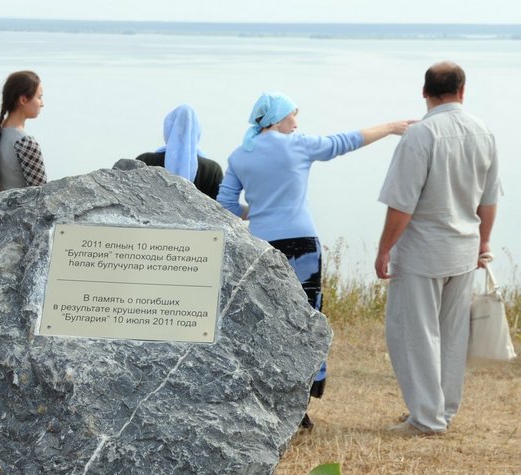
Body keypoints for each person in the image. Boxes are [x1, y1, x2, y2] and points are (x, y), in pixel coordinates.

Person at [217, 91, 411, 429]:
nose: (297, 122)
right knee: (305, 323)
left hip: (261, 247)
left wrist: (258, 211)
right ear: (278, 120)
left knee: (269, 324)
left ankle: (269, 403)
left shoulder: (239, 156)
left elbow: (227, 206)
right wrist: (392, 126)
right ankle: (300, 406)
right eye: (293, 115)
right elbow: (345, 141)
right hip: (302, 245)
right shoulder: (298, 145)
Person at [376, 61, 501, 436]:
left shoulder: (421, 135)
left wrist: (384, 250)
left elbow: (402, 204)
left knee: (415, 333)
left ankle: (427, 418)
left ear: (424, 92)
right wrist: (485, 242)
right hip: (463, 248)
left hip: (422, 250)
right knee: (450, 334)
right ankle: (442, 410)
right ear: (463, 90)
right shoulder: (484, 132)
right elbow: (490, 200)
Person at [136, 104, 224, 199]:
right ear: (197, 131)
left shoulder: (145, 160)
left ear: (167, 130)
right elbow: (222, 207)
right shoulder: (212, 169)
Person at [0, 70, 47, 194]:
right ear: (23, 100)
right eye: (39, 97)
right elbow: (41, 194)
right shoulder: (25, 142)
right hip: (19, 212)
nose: (42, 104)